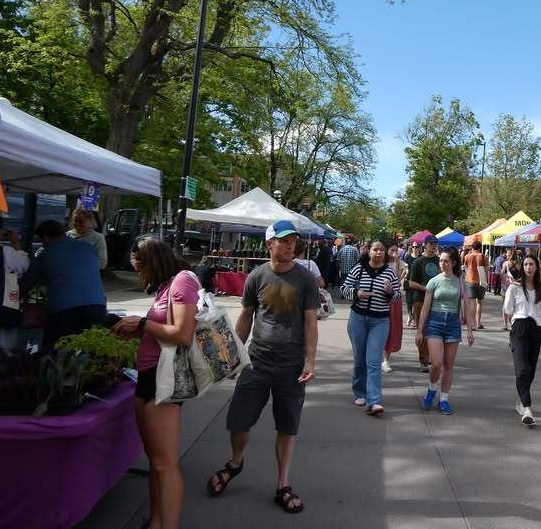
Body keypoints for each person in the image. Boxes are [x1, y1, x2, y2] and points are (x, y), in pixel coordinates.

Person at [206, 220, 318, 514]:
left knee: (287, 426)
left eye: (293, 240)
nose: (290, 245)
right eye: (284, 240)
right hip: (256, 361)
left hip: (291, 365)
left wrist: (310, 360)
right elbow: (246, 316)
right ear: (270, 244)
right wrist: (234, 355)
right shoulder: (256, 276)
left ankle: (283, 485)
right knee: (238, 423)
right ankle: (236, 462)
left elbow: (310, 322)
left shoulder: (305, 278)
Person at [110, 238, 199, 529]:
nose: (140, 275)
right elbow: (163, 329)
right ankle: (157, 521)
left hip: (165, 379)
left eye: (141, 269)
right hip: (150, 376)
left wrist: (142, 324)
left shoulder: (183, 282)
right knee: (156, 461)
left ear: (154, 263)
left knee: (165, 464)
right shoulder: (165, 286)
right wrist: (139, 332)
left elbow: (182, 334)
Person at [19, 220, 106, 346]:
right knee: (90, 350)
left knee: (57, 350)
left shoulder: (46, 255)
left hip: (63, 310)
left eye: (41, 240)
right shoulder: (88, 248)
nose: (42, 244)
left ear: (46, 237)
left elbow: (26, 284)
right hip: (97, 307)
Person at [341, 240, 399, 414]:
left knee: (373, 361)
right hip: (358, 319)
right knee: (360, 360)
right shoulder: (359, 269)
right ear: (369, 251)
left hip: (380, 321)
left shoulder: (390, 272)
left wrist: (390, 293)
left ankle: (373, 401)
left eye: (382, 250)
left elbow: (397, 296)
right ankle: (360, 392)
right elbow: (344, 288)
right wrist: (356, 293)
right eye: (375, 249)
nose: (379, 253)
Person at [415, 247, 474, 415]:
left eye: (446, 261)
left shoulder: (461, 282)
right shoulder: (434, 281)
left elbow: (467, 307)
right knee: (436, 363)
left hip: (453, 323)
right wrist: (420, 331)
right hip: (435, 321)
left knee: (448, 365)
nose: (442, 263)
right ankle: (432, 389)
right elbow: (426, 307)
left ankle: (444, 399)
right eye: (441, 260)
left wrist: (470, 330)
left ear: (453, 263)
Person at [503, 253, 541, 425]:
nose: (528, 267)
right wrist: (513, 323)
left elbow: (540, 310)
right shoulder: (514, 287)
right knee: (522, 369)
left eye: (531, 264)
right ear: (522, 267)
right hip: (519, 328)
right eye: (526, 264)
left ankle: (520, 401)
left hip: (535, 329)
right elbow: (507, 309)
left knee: (530, 369)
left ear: (536, 267)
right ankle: (527, 407)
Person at [408, 235, 440, 372]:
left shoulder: (440, 261)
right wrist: (426, 288)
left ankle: (433, 356)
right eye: (431, 243)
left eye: (435, 243)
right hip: (420, 300)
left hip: (437, 301)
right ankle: (424, 360)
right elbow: (411, 283)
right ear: (425, 245)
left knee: (436, 331)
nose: (433, 245)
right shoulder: (418, 262)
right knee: (423, 330)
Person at [382, 243, 406, 373]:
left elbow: (396, 280)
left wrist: (396, 262)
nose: (394, 252)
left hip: (393, 298)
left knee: (392, 328)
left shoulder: (400, 263)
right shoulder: (381, 262)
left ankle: (386, 359)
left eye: (396, 250)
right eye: (392, 250)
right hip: (380, 297)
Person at [463, 240, 489, 329]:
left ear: (472, 247)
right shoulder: (483, 256)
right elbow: (486, 270)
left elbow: (465, 267)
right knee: (479, 303)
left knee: (472, 303)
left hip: (470, 280)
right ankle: (478, 323)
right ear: (480, 247)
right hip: (481, 281)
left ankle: (472, 324)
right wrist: (487, 281)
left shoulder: (467, 256)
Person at [403, 242, 422, 328]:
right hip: (408, 280)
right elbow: (405, 269)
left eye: (416, 247)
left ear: (419, 248)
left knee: (416, 300)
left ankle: (414, 317)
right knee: (408, 300)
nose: (415, 248)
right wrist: (400, 278)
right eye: (413, 247)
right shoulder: (408, 257)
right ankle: (409, 315)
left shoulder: (421, 258)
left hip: (418, 281)